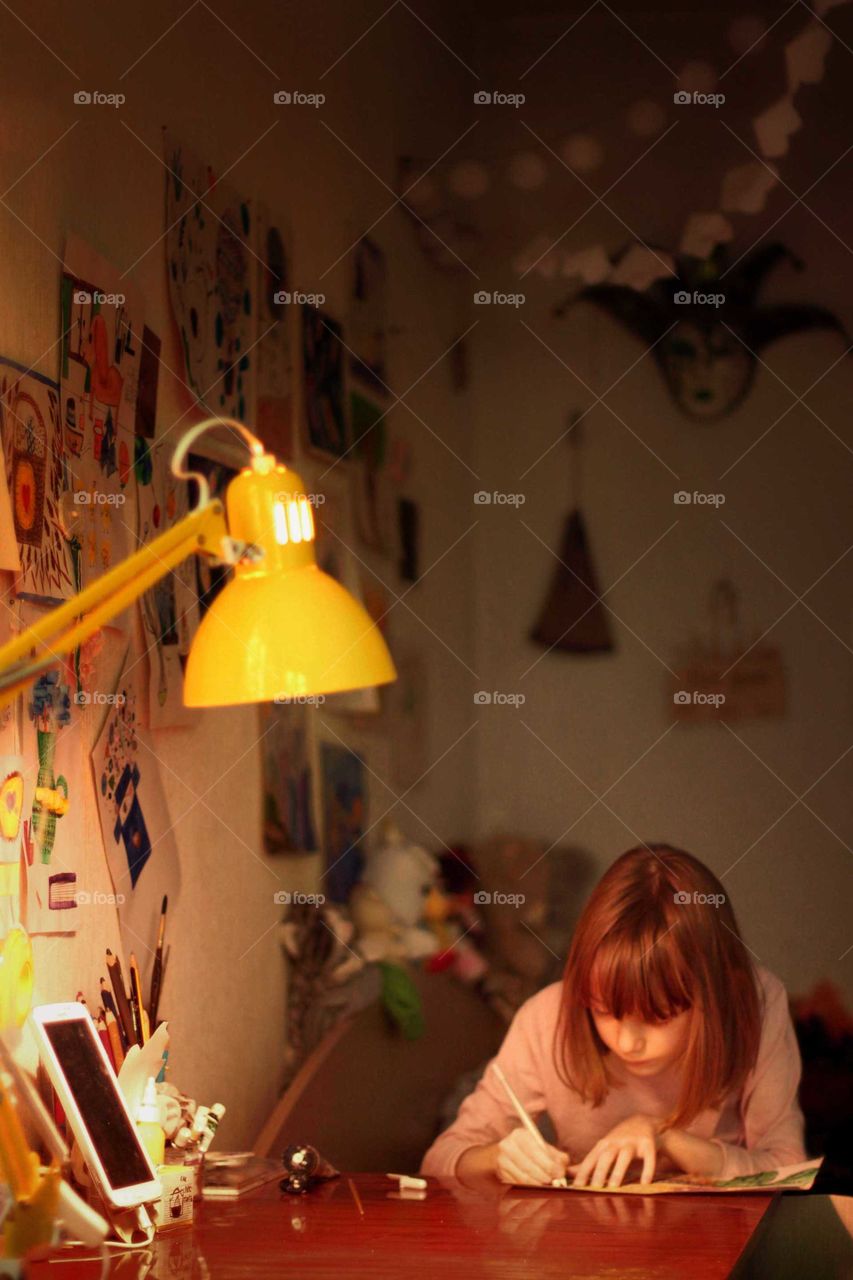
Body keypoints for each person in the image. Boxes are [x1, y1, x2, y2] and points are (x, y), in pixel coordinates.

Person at [421, 844, 806, 1188]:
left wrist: (666, 1139)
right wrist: (498, 1159)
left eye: (657, 1017)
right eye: (604, 1010)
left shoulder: (753, 1004)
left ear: (714, 993)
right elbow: (439, 1161)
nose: (627, 1042)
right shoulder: (549, 1016)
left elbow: (788, 1171)